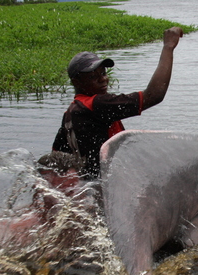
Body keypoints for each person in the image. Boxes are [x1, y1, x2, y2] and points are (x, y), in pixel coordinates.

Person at [51, 27, 184, 178]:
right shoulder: (96, 105)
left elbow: (56, 157)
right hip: (109, 184)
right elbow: (154, 95)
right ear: (77, 82)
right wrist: (168, 48)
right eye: (93, 76)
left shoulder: (70, 113)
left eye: (103, 73)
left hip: (92, 184)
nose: (103, 79)